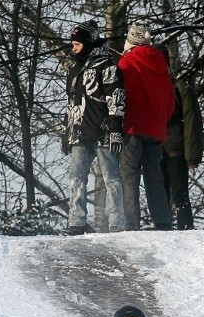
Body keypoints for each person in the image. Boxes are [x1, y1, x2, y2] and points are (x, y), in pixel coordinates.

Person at [65, 19, 126, 235]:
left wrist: (116, 130)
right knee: (76, 177)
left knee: (111, 178)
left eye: (77, 44)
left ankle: (117, 223)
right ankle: (76, 221)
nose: (73, 48)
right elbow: (71, 105)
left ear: (89, 43)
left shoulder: (108, 66)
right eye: (73, 44)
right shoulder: (73, 70)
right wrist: (67, 133)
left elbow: (116, 100)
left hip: (103, 132)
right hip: (79, 132)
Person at [118, 22, 175, 231]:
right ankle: (163, 221)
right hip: (155, 130)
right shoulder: (161, 65)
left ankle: (131, 224)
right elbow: (170, 102)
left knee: (129, 176)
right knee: (154, 177)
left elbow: (119, 97)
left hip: (132, 128)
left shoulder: (125, 64)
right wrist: (160, 121)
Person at [156, 44, 204, 230]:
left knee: (180, 194)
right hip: (156, 147)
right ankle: (164, 232)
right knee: (161, 195)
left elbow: (192, 119)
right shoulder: (149, 86)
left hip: (175, 147)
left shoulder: (180, 85)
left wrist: (191, 155)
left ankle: (185, 230)